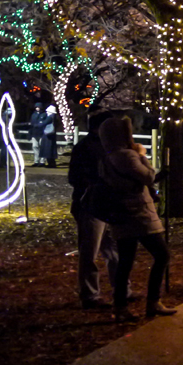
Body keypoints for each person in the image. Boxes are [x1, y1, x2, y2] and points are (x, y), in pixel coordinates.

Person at [99, 116, 175, 321]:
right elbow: (148, 176)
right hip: (138, 214)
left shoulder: (107, 157)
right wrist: (142, 155)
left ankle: (120, 306)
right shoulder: (126, 156)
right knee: (162, 255)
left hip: (121, 214)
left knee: (125, 260)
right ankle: (153, 301)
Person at [69, 111, 125, 309]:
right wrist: (97, 186)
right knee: (90, 251)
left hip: (106, 204)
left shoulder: (106, 148)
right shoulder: (86, 148)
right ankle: (90, 294)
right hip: (91, 205)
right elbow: (75, 178)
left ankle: (122, 289)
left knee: (113, 251)